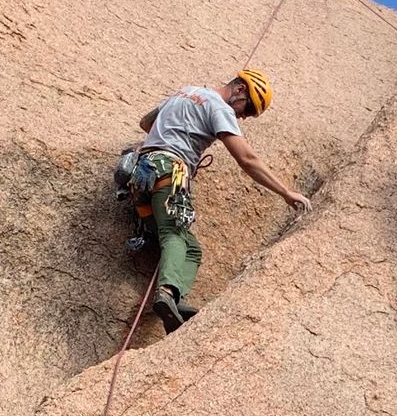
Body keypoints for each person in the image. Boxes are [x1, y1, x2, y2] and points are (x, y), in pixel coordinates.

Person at [123, 69, 309, 332]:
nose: (244, 116)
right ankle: (165, 293)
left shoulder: (184, 92)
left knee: (191, 248)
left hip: (141, 178)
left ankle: (176, 296)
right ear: (240, 89)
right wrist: (286, 192)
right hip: (170, 172)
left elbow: (146, 123)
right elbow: (247, 159)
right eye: (249, 108)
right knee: (174, 235)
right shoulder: (219, 107)